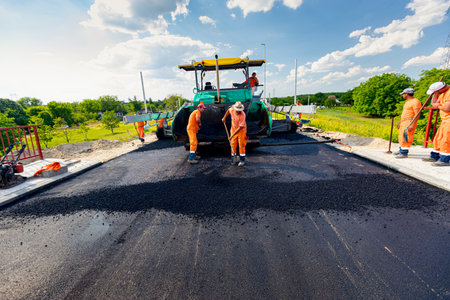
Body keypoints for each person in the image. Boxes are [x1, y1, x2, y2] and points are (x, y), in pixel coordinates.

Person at [422, 82, 450, 166]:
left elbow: (447, 108)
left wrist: (438, 106)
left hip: (449, 119)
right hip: (444, 120)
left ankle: (445, 159)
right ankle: (435, 156)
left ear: (441, 89)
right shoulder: (442, 93)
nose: (435, 94)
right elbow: (433, 104)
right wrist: (435, 94)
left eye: (436, 92)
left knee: (446, 139)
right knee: (438, 138)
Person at [394, 88, 422, 158]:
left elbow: (417, 114)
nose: (403, 95)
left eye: (403, 94)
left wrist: (412, 124)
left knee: (406, 136)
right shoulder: (407, 102)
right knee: (401, 136)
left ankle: (404, 153)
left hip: (410, 121)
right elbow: (405, 113)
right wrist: (400, 122)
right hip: (404, 121)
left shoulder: (416, 102)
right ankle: (401, 150)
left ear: (406, 94)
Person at [222, 101, 247, 166]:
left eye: (239, 110)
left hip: (241, 131)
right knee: (233, 144)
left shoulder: (242, 115)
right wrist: (224, 118)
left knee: (241, 145)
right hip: (233, 130)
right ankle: (233, 159)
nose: (238, 111)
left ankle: (242, 160)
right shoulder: (232, 110)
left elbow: (240, 127)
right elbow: (228, 111)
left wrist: (231, 136)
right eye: (237, 110)